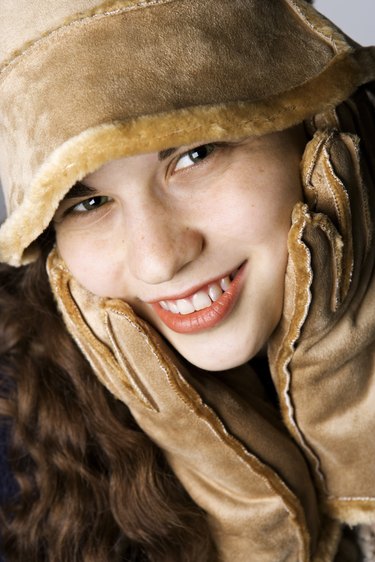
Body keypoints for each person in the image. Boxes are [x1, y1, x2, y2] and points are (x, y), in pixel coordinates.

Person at [0, 0, 374, 560]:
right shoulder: (18, 445)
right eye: (90, 202)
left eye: (195, 154)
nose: (158, 261)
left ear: (316, 129)